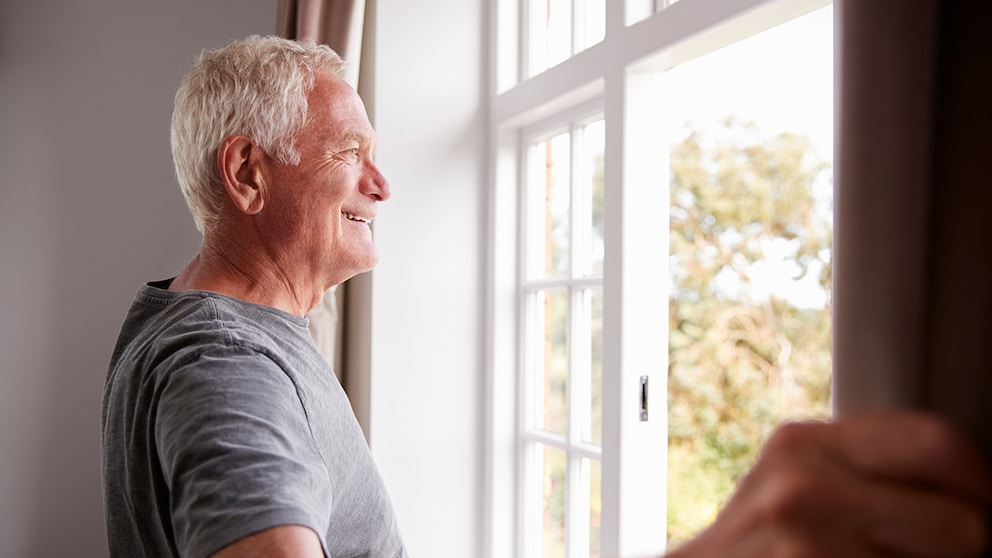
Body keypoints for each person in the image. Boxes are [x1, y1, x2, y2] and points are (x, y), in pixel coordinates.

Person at [101, 35, 992, 558]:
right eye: (347, 153)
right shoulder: (226, 366)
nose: (381, 182)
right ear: (248, 174)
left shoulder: (189, 321)